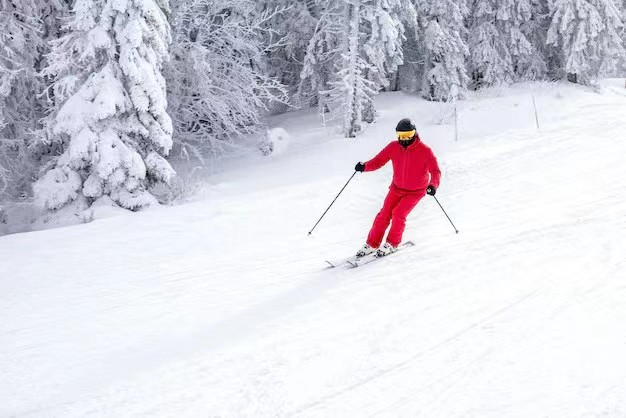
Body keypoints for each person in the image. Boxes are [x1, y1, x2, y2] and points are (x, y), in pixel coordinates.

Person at [354, 118, 441, 257]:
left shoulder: (425, 151)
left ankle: (392, 244)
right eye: (401, 135)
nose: (404, 139)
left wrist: (433, 185)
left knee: (398, 214)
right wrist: (364, 166)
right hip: (396, 188)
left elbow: (435, 171)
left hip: (415, 192)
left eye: (408, 135)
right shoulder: (393, 147)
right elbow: (378, 161)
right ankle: (372, 244)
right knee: (384, 214)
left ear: (415, 133)